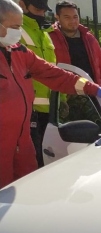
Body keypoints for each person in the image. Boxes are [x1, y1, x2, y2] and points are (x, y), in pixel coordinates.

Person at [0, 0, 101, 188]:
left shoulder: (19, 52)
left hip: (22, 143)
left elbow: (53, 74)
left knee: (26, 192)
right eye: (14, 27)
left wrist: (91, 88)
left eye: (19, 27)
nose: (17, 33)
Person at [48, 1, 101, 108]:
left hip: (93, 95)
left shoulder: (89, 38)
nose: (73, 21)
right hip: (66, 100)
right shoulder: (50, 38)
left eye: (75, 17)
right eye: (67, 17)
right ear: (57, 17)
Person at [18, 0, 55, 167]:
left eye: (43, 9)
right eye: (37, 8)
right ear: (22, 4)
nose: (40, 13)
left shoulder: (45, 33)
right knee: (34, 162)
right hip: (28, 109)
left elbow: (53, 70)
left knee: (48, 159)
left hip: (49, 110)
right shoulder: (15, 30)